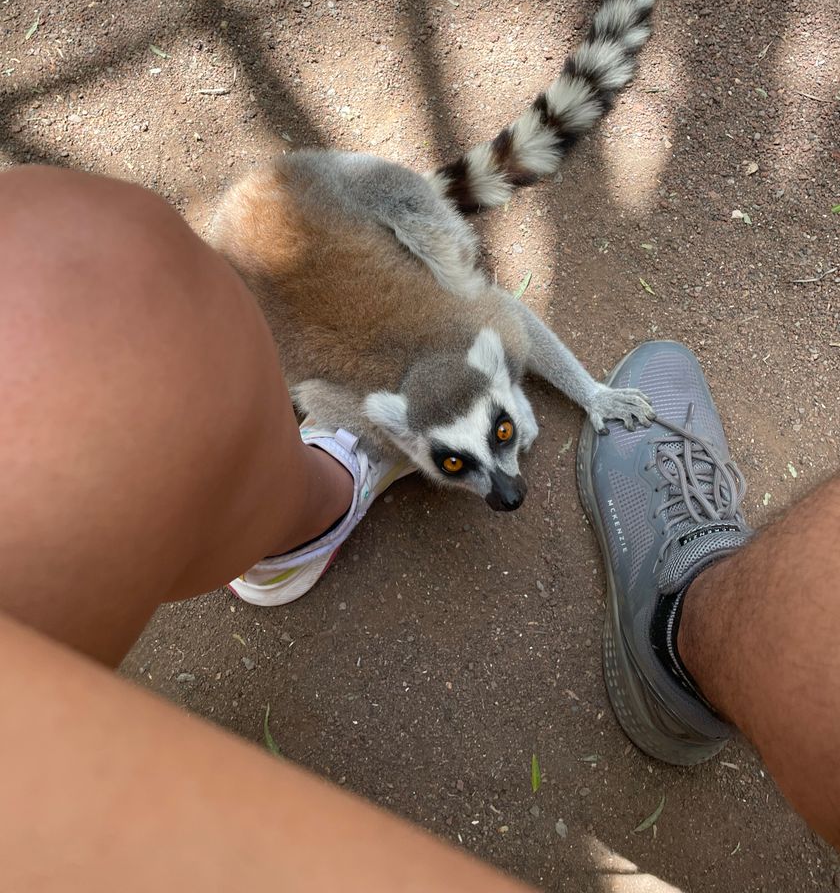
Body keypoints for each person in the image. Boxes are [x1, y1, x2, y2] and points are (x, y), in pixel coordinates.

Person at [0, 166, 837, 891]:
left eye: (496, 446)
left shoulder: (488, 343)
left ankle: (294, 513)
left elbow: (503, 319)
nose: (498, 485)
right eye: (464, 466)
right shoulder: (400, 393)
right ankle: (303, 506)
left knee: (91, 260)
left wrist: (591, 396)